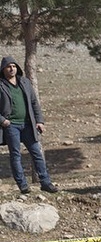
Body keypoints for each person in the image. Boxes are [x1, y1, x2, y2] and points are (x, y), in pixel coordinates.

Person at [0, 56, 56, 194]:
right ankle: (23, 185)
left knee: (36, 153)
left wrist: (39, 121)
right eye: (8, 66)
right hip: (11, 126)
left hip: (28, 125)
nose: (12, 68)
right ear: (3, 69)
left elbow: (34, 103)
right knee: (15, 155)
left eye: (13, 66)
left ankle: (45, 182)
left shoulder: (24, 82)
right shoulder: (0, 85)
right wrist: (3, 121)